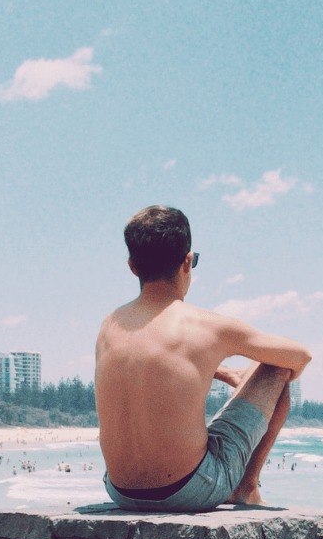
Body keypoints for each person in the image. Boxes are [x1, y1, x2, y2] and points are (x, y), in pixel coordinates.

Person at [95, 206, 311, 511]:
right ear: (187, 262)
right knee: (276, 367)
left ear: (132, 266)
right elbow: (300, 357)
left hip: (119, 490)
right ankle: (246, 489)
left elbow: (154, 365)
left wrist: (220, 372)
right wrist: (256, 383)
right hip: (189, 490)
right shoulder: (206, 326)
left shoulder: (110, 324)